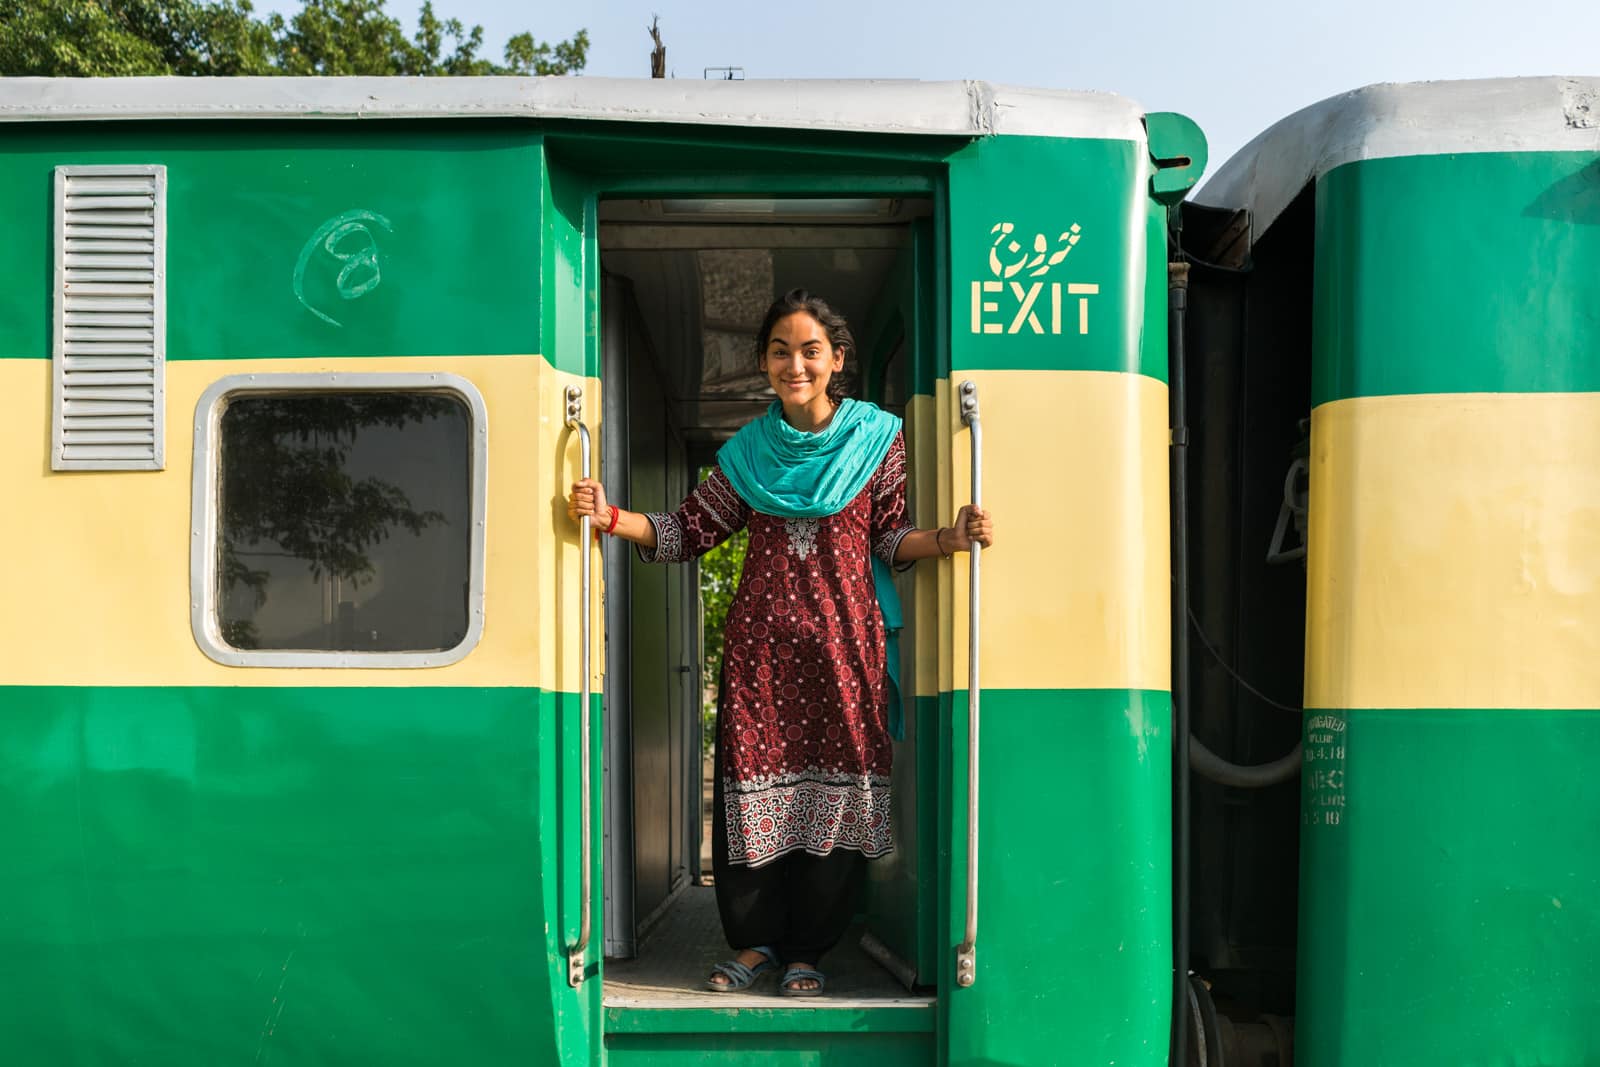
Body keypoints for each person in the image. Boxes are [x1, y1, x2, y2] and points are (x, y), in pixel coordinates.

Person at [568, 289, 994, 997]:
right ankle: (758, 944)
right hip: (760, 657)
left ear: (836, 360)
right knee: (751, 796)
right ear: (764, 363)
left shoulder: (877, 439)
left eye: (809, 350)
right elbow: (687, 531)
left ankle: (807, 950)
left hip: (842, 651)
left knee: (831, 795)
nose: (794, 363)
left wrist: (948, 538)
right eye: (779, 350)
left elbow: (890, 535)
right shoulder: (747, 454)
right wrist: (610, 515)